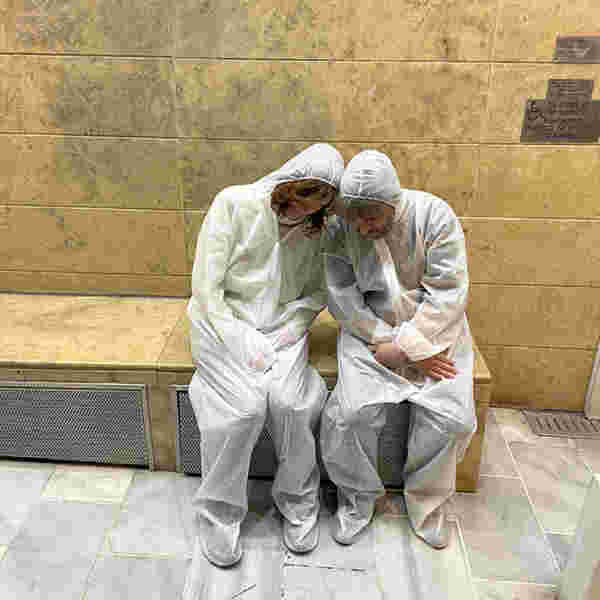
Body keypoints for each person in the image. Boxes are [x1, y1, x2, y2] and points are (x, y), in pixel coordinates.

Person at [186, 144, 344, 568]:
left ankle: (299, 502)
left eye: (319, 203)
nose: (305, 210)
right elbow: (207, 288)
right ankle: (218, 515)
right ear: (289, 182)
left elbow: (317, 290)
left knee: (292, 405)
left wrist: (297, 323)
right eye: (304, 196)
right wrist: (237, 338)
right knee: (241, 412)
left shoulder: (317, 230)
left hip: (281, 327)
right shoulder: (234, 204)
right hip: (221, 322)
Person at [320, 150, 476, 550]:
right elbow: (341, 294)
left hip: (436, 333)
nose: (362, 226)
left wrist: (408, 346)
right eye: (355, 217)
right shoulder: (341, 227)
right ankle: (357, 501)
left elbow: (448, 292)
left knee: (451, 419)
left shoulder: (434, 216)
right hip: (367, 333)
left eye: (372, 216)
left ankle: (427, 505)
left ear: (394, 201)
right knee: (350, 414)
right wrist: (381, 338)